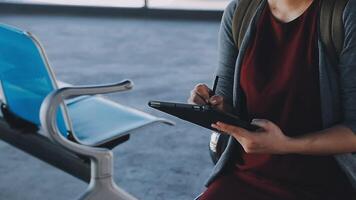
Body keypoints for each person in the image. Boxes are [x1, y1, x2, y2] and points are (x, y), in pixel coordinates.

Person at [188, 0, 356, 199]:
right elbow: (227, 102)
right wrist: (211, 105)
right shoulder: (240, 12)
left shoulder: (344, 14)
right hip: (246, 173)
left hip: (324, 182)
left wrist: (286, 144)